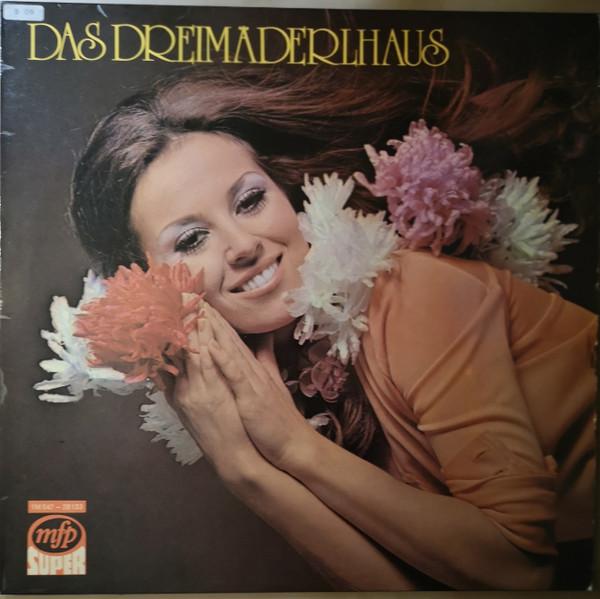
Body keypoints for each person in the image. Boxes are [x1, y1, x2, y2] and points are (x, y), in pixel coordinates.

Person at [69, 66, 597, 590]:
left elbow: (520, 573)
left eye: (250, 201)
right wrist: (243, 469)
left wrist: (293, 448)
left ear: (286, 192)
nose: (243, 245)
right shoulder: (264, 381)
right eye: (191, 241)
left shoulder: (414, 290)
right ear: (147, 289)